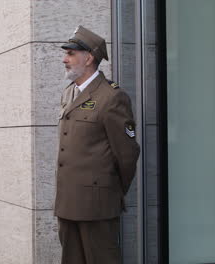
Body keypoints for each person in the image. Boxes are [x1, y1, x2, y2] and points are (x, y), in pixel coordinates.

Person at [54, 26, 140, 264]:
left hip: (97, 206)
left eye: (71, 53)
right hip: (68, 203)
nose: (65, 59)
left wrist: (108, 191)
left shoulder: (111, 97)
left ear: (89, 57)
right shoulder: (69, 93)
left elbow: (127, 154)